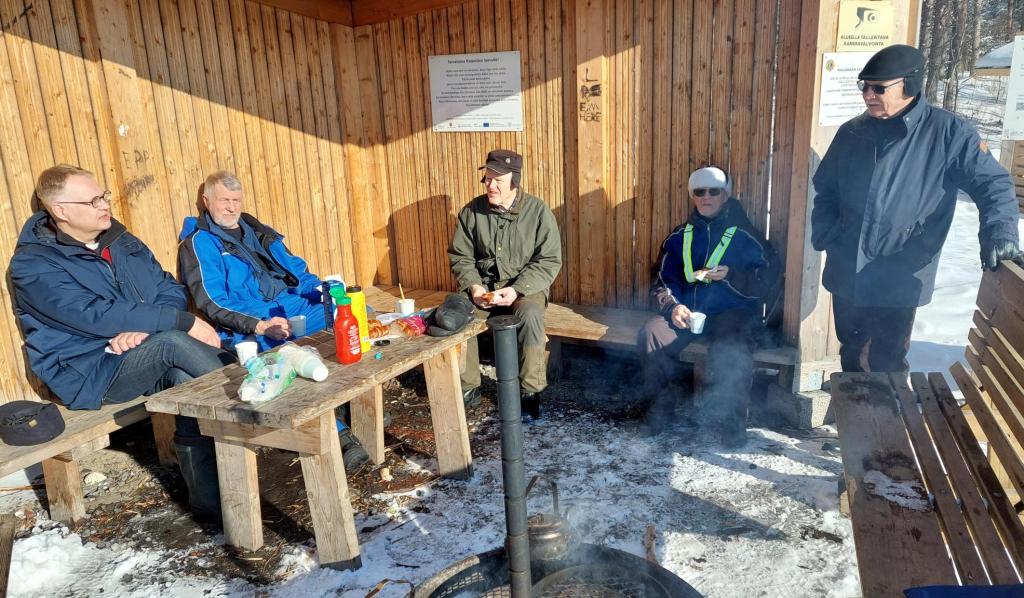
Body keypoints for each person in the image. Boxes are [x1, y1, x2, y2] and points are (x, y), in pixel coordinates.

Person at [9, 164, 234, 520]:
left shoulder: (121, 240)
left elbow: (169, 289)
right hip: (87, 370)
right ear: (60, 210)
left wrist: (147, 328)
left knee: (184, 381)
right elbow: (93, 315)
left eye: (104, 196)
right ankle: (251, 402)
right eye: (93, 200)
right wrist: (176, 323)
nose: (104, 205)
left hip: (141, 351)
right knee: (173, 342)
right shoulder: (34, 264)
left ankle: (211, 505)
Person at [812, 44, 1023, 373]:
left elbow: (992, 184)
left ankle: (887, 408)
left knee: (886, 360)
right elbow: (825, 188)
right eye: (863, 86)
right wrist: (827, 233)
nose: (867, 94)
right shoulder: (852, 132)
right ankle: (854, 407)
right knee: (852, 353)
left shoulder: (948, 134)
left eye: (878, 87)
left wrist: (1000, 231)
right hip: (847, 268)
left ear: (909, 85)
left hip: (900, 272)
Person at [178, 171, 368, 470]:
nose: (231, 207)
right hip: (252, 320)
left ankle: (358, 406)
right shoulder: (200, 243)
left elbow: (298, 272)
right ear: (206, 201)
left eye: (236, 200)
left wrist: (325, 292)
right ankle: (338, 433)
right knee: (287, 357)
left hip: (293, 304)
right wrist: (259, 324)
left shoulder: (258, 230)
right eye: (224, 200)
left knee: (351, 316)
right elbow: (212, 302)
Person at [640, 166, 779, 446]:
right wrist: (673, 307)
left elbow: (769, 280)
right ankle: (660, 411)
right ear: (692, 196)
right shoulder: (680, 236)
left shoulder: (747, 235)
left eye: (713, 191)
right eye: (699, 191)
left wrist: (732, 275)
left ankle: (731, 424)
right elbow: (661, 278)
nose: (706, 197)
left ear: (725, 195)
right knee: (651, 334)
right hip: (688, 314)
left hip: (732, 315)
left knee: (734, 346)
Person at [448, 149, 562, 422]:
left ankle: (530, 392)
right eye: (487, 179)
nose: (491, 185)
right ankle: (467, 388)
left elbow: (548, 260)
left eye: (498, 180)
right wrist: (474, 286)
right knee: (456, 313)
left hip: (525, 289)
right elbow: (461, 256)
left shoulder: (538, 212)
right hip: (485, 288)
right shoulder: (472, 211)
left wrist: (517, 289)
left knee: (530, 315)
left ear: (515, 181)